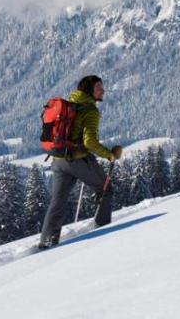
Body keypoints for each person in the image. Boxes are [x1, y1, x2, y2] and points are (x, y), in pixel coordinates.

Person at [38, 75, 123, 250]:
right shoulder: (90, 110)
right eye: (99, 87)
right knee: (106, 190)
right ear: (89, 90)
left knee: (57, 202)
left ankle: (46, 242)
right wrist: (109, 155)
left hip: (59, 159)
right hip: (77, 160)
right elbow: (89, 142)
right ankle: (103, 233)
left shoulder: (70, 103)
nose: (103, 90)